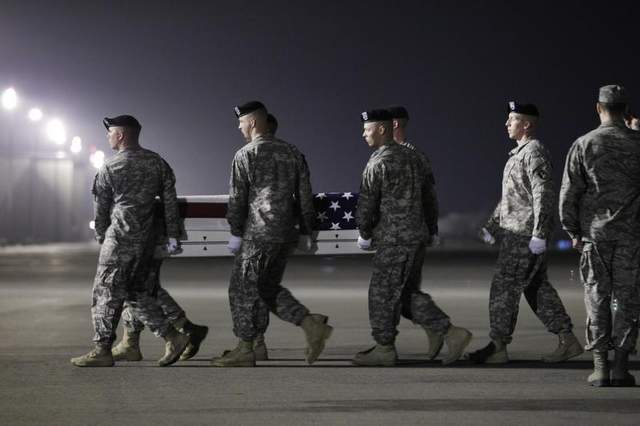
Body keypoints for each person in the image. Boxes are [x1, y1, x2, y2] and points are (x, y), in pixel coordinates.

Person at [212, 101, 333, 367]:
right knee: (266, 288)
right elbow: (305, 195)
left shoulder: (245, 154)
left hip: (258, 233)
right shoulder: (292, 152)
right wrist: (306, 229)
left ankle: (245, 348)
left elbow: (238, 199)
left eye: (241, 122)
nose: (239, 127)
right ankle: (304, 326)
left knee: (241, 290)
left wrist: (236, 231)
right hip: (285, 233)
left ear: (253, 122)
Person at [353, 108, 472, 367]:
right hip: (416, 237)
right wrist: (431, 229)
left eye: (367, 129)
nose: (363, 134)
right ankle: (444, 331)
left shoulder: (378, 162)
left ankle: (387, 348)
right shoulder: (414, 157)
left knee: (382, 293)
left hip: (394, 239)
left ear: (382, 129)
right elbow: (430, 198)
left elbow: (367, 203)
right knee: (405, 293)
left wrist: (364, 233)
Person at [467, 101, 582, 364]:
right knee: (535, 287)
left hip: (524, 234)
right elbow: (512, 197)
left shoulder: (534, 152)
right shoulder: (518, 155)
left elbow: (544, 194)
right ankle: (567, 340)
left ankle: (498, 346)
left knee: (504, 288)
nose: (507, 123)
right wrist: (492, 226)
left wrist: (539, 233)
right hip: (517, 232)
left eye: (513, 119)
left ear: (527, 124)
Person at [71, 115, 189, 367]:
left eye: (110, 132)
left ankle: (102, 349)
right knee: (135, 292)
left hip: (120, 238)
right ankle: (173, 337)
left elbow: (101, 210)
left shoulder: (111, 167)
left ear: (121, 135)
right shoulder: (157, 162)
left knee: (105, 291)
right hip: (147, 240)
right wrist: (172, 234)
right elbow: (170, 202)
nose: (108, 136)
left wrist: (102, 236)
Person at [560, 85, 640, 387]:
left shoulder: (584, 144)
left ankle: (600, 367)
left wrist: (572, 231)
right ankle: (621, 367)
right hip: (632, 236)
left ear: (598, 108)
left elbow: (570, 193)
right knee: (629, 300)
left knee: (597, 298)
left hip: (595, 237)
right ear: (626, 109)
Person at [110, 203, 209, 362]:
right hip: (150, 227)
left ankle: (135, 342)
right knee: (144, 286)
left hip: (134, 231)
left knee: (136, 287)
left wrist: (103, 232)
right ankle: (131, 342)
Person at [387, 105, 443, 360]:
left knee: (395, 290)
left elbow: (429, 196)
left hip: (402, 236)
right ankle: (438, 329)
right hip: (406, 234)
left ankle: (443, 328)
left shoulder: (405, 156)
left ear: (394, 125)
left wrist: (432, 228)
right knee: (404, 289)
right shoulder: (410, 155)